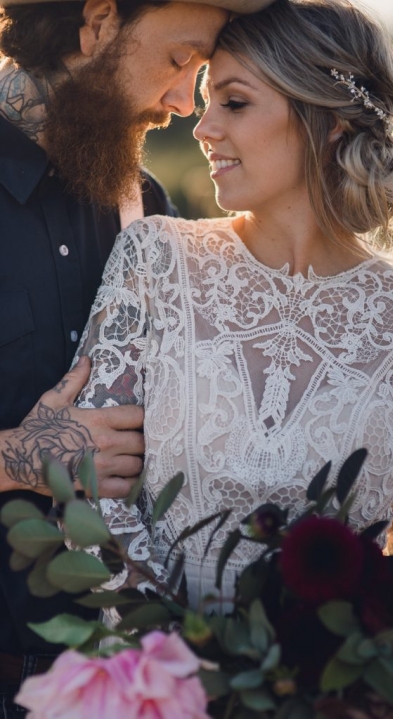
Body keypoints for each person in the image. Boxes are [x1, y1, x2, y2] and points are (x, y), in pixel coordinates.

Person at [74, 0, 393, 608]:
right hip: (150, 681)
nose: (203, 129)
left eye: (233, 101)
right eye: (206, 105)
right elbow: (90, 498)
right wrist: (179, 660)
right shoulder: (154, 259)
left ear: (328, 118)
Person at [0, 0, 272, 713]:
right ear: (97, 23)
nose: (185, 103)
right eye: (181, 60)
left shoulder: (147, 213)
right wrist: (14, 457)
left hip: (121, 684)